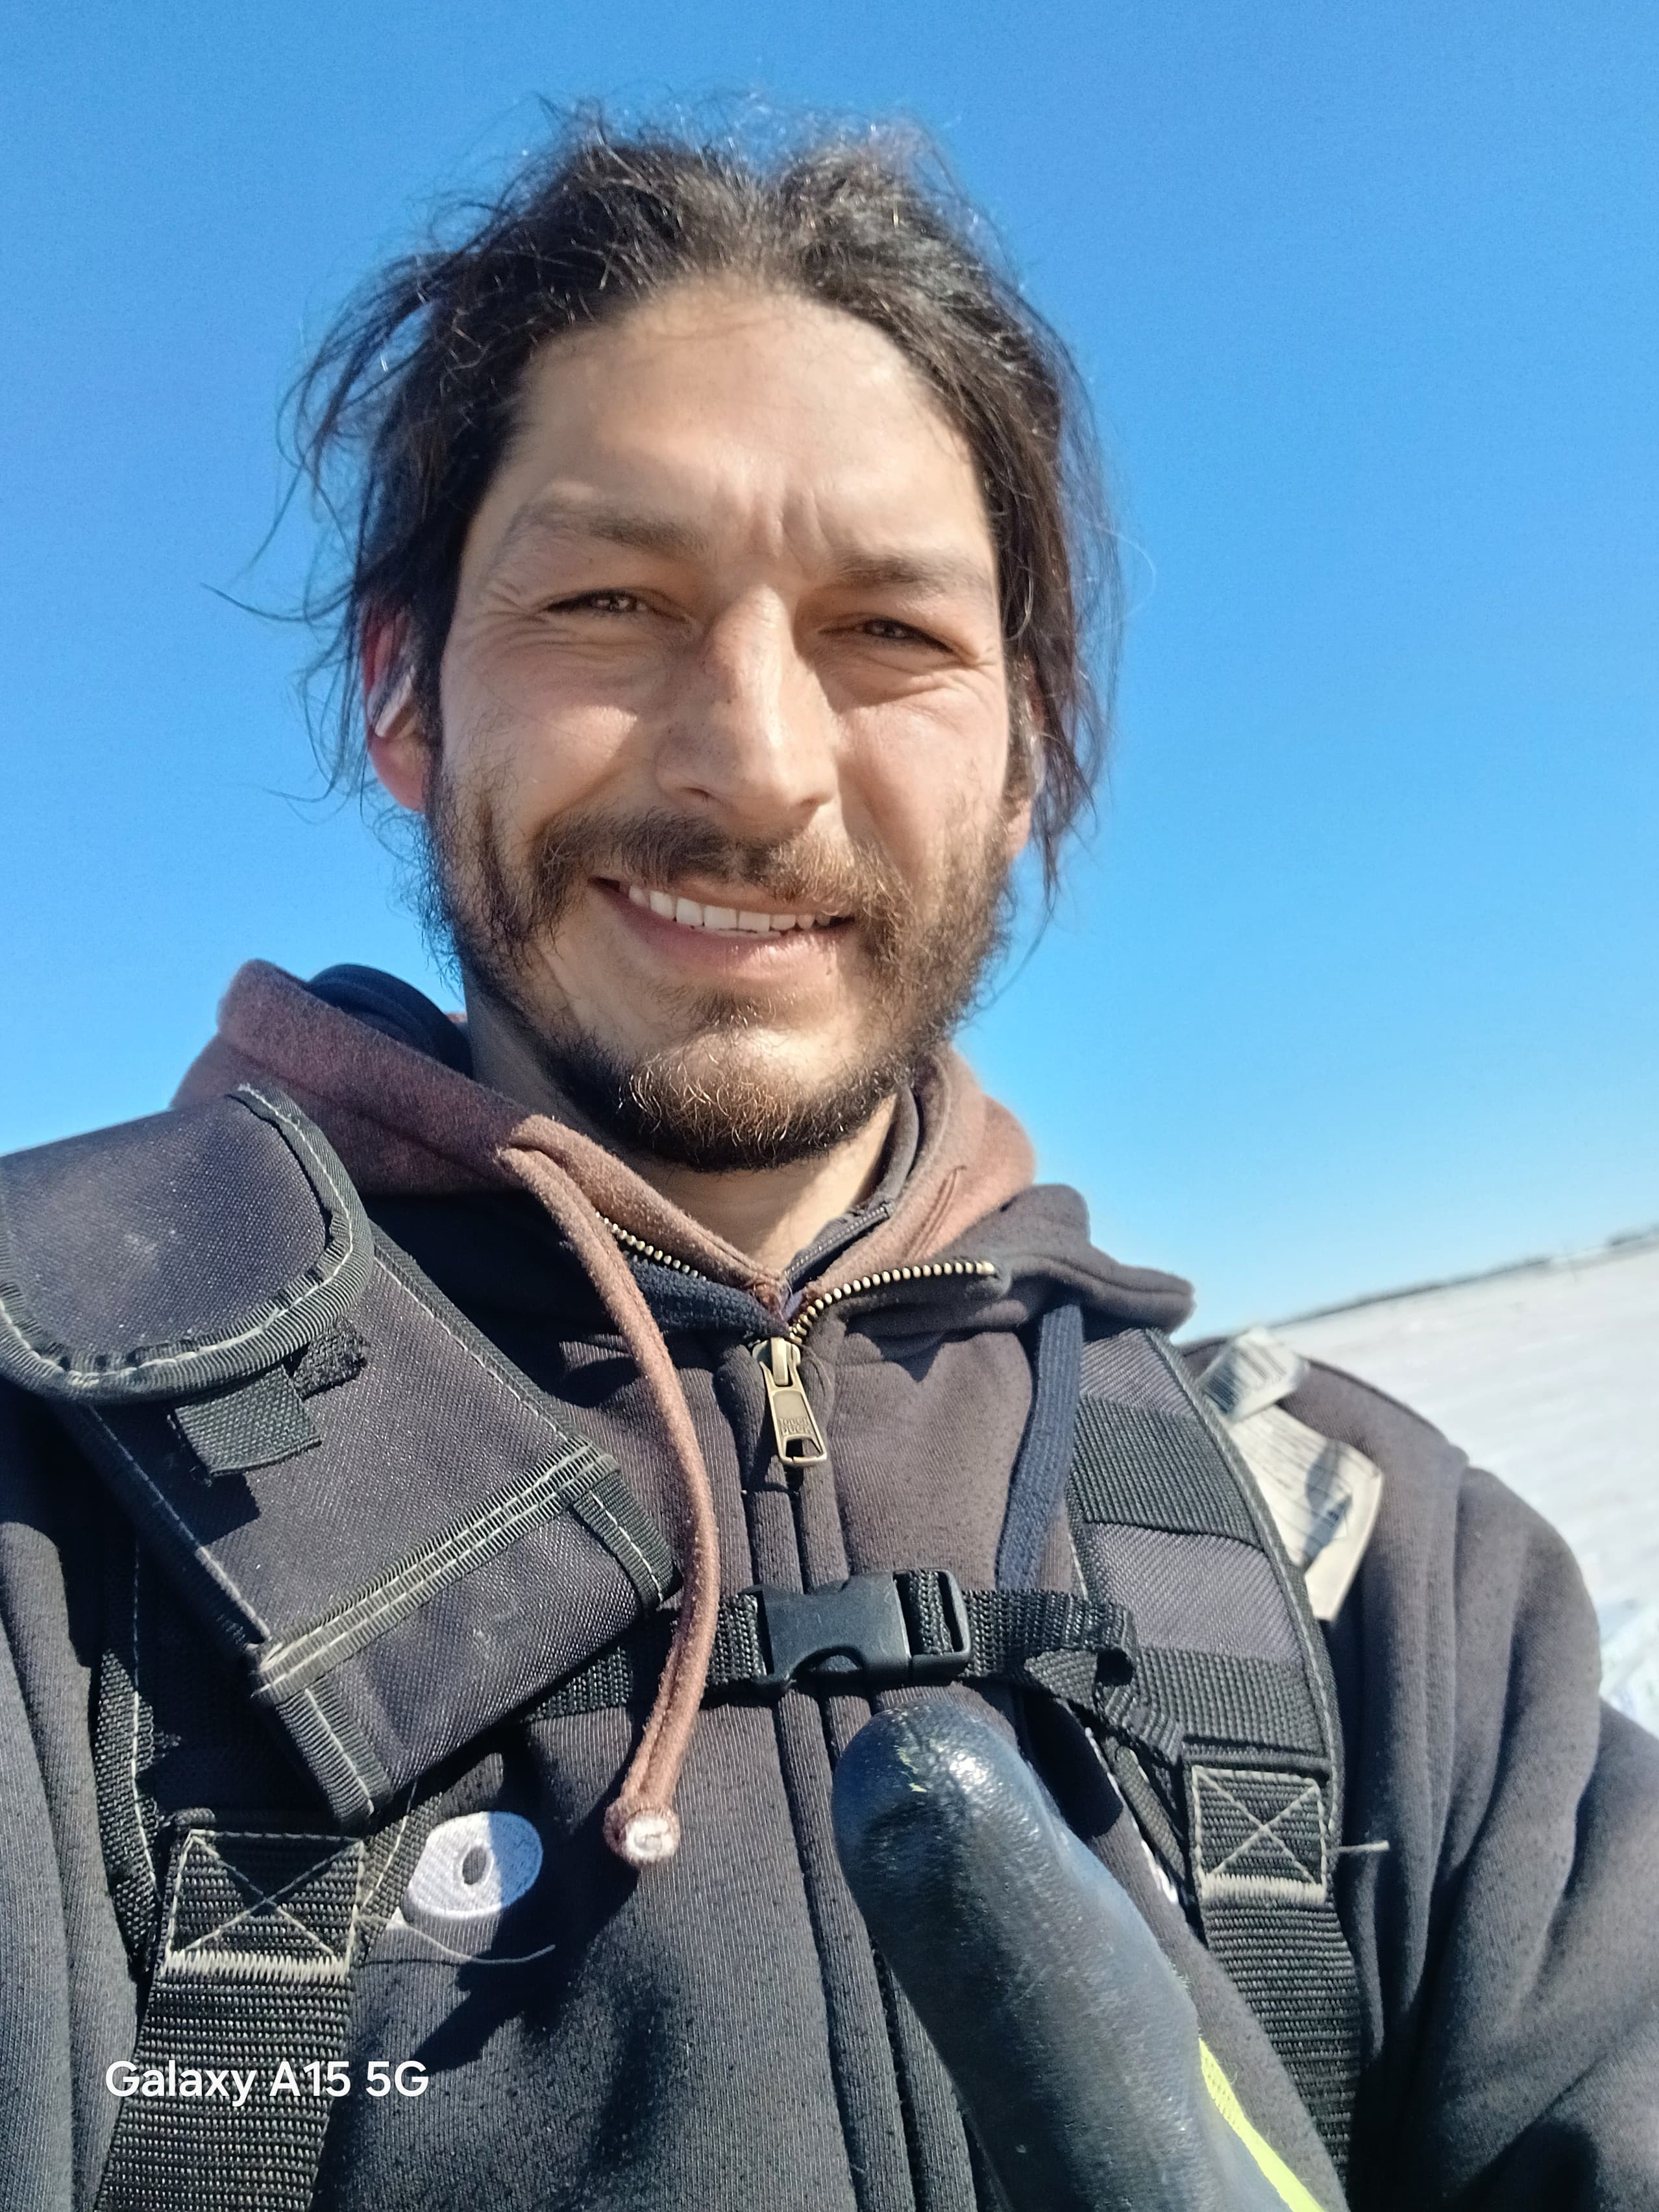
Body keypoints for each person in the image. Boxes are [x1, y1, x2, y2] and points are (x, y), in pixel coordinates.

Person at [1, 117, 1654, 2212]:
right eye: (609, 599)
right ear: (406, 699)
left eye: (890, 634)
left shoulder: (1367, 1572)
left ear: (1028, 760)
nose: (757, 761)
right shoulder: (42, 1523)